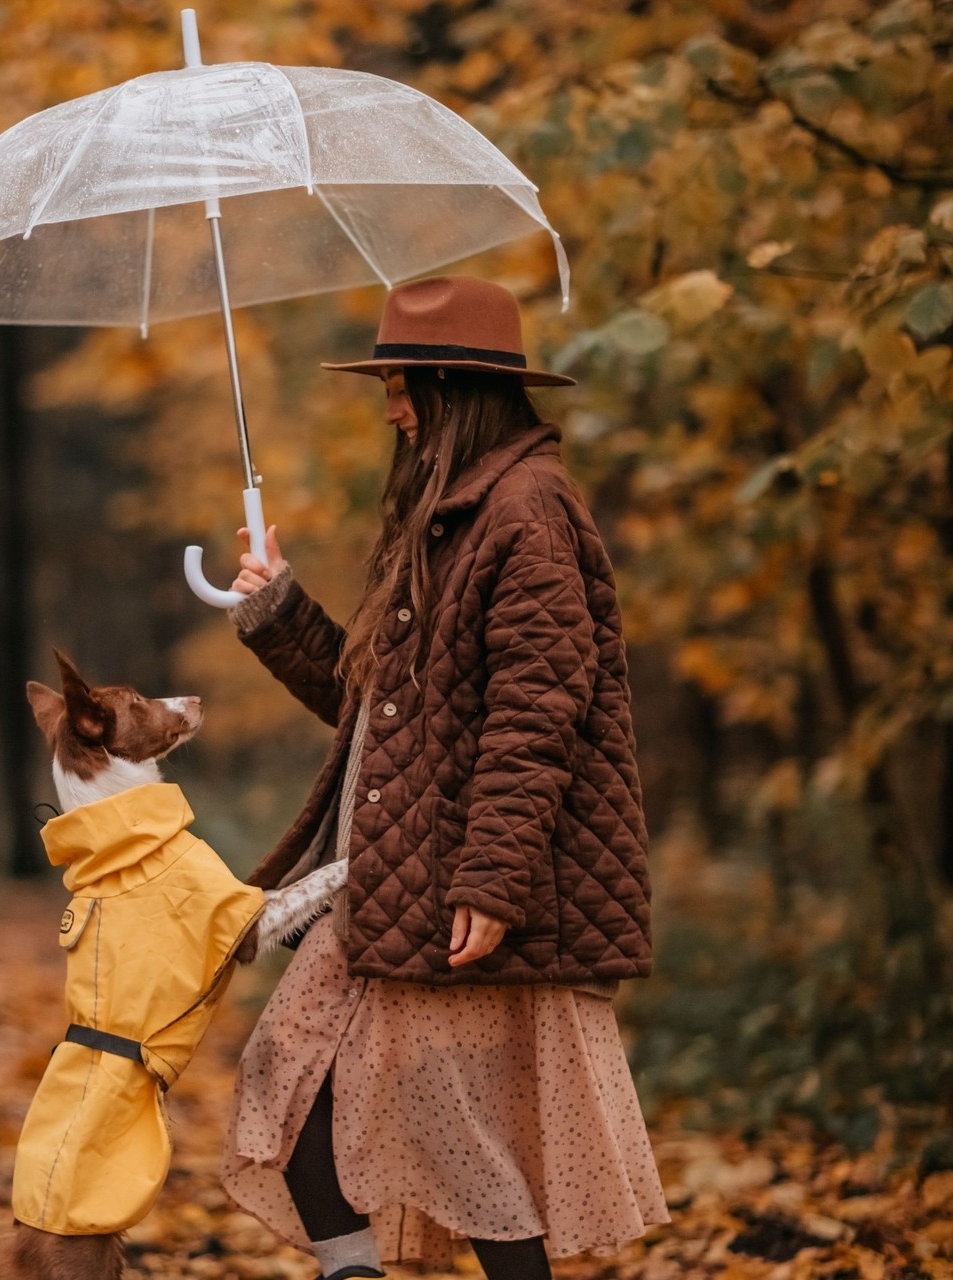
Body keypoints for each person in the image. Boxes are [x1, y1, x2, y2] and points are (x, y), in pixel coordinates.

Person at [220, 276, 669, 1280]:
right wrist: (277, 609)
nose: (389, 408)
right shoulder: (449, 514)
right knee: (293, 1095)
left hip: (452, 884)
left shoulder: (526, 510)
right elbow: (381, 710)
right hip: (394, 876)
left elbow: (536, 715)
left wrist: (491, 881)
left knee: (458, 1148)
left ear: (450, 388)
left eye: (400, 386)